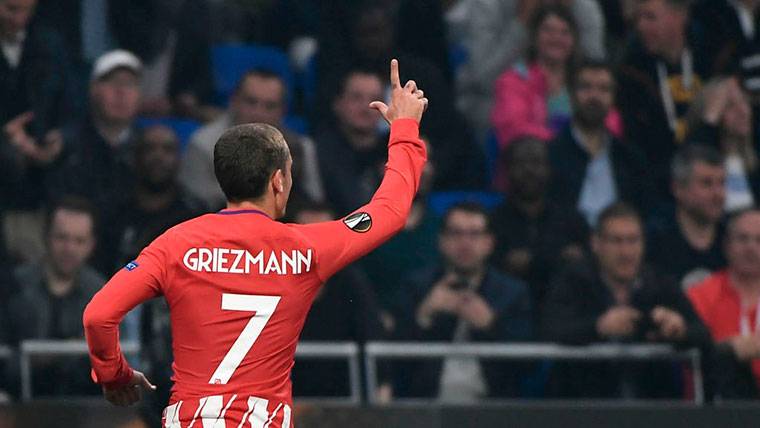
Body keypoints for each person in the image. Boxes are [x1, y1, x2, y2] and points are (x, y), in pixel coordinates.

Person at [83, 59, 428, 427]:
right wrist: (404, 129)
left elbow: (99, 315)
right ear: (279, 181)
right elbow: (389, 211)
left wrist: (114, 375)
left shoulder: (176, 244)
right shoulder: (305, 249)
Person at [542, 202, 710, 398]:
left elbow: (703, 334)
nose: (626, 252)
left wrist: (679, 329)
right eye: (616, 241)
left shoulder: (660, 283)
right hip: (584, 405)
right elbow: (550, 328)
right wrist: (599, 327)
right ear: (596, 244)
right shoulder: (573, 281)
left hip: (652, 407)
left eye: (633, 241)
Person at [393, 202, 532, 401]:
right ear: (441, 241)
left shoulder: (512, 293)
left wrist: (491, 326)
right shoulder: (417, 287)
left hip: (493, 412)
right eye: (456, 233)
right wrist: (423, 316)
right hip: (426, 410)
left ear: (489, 243)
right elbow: (392, 362)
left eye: (475, 234)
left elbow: (528, 366)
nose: (465, 243)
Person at [47, 49, 142, 275]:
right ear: (92, 90)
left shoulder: (148, 150)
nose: (120, 92)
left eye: (129, 84)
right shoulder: (65, 146)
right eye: (111, 82)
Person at [287, 202, 391, 400]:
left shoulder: (351, 282)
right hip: (285, 400)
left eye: (324, 235)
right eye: (308, 234)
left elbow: (371, 335)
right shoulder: (274, 278)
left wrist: (382, 385)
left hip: (343, 404)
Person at [180, 69, 324, 211]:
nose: (258, 113)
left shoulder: (301, 147)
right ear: (234, 101)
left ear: (283, 111)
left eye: (270, 106)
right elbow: (199, 204)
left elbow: (314, 204)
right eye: (251, 102)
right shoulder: (203, 145)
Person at [7, 196, 103, 397]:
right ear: (47, 237)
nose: (69, 249)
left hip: (84, 409)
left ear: (91, 245)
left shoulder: (102, 293)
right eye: (62, 238)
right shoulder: (14, 286)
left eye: (79, 241)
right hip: (19, 406)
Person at [617, 0, 711, 198]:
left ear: (680, 17)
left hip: (709, 170)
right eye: (639, 18)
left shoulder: (708, 55)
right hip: (655, 182)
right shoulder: (631, 71)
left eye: (650, 17)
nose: (641, 26)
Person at [491, 135, 587, 317]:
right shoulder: (494, 222)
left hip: (565, 314)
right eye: (520, 163)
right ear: (508, 170)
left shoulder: (572, 221)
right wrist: (557, 258)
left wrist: (529, 262)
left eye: (536, 162)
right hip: (507, 314)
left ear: (549, 168)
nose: (529, 170)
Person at [547, 59, 650, 226]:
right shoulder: (551, 156)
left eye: (603, 89)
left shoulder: (630, 159)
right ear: (572, 94)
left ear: (613, 97)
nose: (594, 97)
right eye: (586, 87)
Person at [687, 208, 760, 399]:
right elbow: (693, 355)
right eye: (743, 239)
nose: (751, 248)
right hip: (720, 406)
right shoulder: (701, 294)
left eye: (759, 240)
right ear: (726, 245)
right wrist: (730, 350)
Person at [647, 145, 727, 290]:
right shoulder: (654, 241)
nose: (718, 194)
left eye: (722, 183)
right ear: (677, 188)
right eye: (706, 183)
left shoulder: (732, 239)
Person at [687, 77, 759, 213]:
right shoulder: (700, 154)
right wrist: (709, 120)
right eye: (730, 106)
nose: (743, 112)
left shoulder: (754, 162)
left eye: (744, 102)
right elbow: (693, 154)